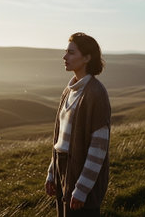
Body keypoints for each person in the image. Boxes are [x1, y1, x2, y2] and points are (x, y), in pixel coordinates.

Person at [45, 32, 111, 217]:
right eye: (66, 52)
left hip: (81, 175)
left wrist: (82, 188)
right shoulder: (68, 91)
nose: (65, 57)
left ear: (87, 58)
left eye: (71, 53)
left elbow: (98, 149)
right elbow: (60, 140)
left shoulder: (96, 94)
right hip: (63, 169)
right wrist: (52, 173)